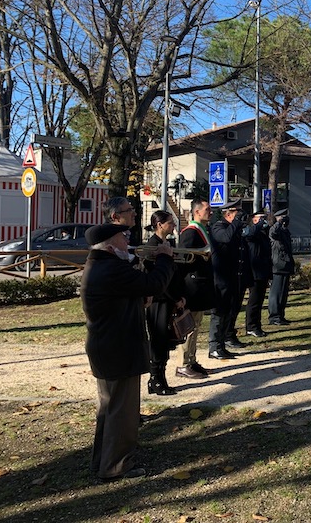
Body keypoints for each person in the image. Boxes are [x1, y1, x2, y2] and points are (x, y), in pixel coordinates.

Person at [80, 223, 174, 481]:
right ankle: (117, 466)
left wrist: (138, 296)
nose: (128, 241)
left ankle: (103, 461)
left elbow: (131, 291)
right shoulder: (110, 267)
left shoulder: (103, 265)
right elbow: (153, 284)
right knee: (122, 411)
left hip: (109, 346)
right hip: (117, 347)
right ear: (110, 246)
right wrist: (165, 258)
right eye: (123, 237)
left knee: (110, 409)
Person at [143, 211, 186, 395]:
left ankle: (159, 379)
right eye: (170, 223)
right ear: (160, 225)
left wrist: (180, 296)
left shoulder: (165, 244)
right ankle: (156, 380)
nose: (174, 226)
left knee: (165, 341)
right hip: (158, 301)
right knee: (158, 340)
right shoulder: (153, 246)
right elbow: (159, 280)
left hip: (167, 300)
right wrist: (175, 298)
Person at [175, 199, 215, 379]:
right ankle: (183, 364)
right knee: (189, 327)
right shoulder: (190, 233)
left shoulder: (202, 230)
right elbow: (182, 261)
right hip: (191, 286)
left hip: (201, 285)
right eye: (208, 209)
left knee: (196, 326)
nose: (211, 212)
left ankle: (191, 359)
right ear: (197, 212)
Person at [208, 198, 252, 359]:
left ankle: (223, 343)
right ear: (228, 213)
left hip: (233, 276)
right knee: (219, 313)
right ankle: (214, 345)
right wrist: (236, 223)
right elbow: (225, 238)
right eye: (236, 212)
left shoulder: (235, 228)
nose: (240, 215)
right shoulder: (218, 227)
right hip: (220, 277)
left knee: (229, 311)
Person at [243, 210, 272, 337]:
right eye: (261, 218)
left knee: (259, 301)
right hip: (254, 271)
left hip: (263, 270)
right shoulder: (251, 231)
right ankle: (251, 326)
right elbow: (249, 235)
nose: (264, 220)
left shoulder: (262, 234)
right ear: (254, 219)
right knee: (254, 301)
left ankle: (257, 325)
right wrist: (258, 225)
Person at [268, 208, 295, 326]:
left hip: (286, 265)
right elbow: (272, 233)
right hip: (277, 265)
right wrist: (278, 222)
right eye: (284, 218)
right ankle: (274, 316)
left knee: (283, 293)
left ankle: (280, 315)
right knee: (276, 293)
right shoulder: (275, 231)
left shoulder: (285, 231)